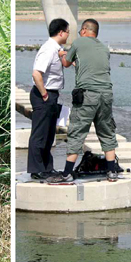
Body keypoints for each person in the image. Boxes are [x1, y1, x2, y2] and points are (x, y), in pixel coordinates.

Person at [48, 18, 119, 183]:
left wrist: (62, 54)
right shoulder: (104, 48)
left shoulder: (79, 43)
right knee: (107, 132)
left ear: (86, 30)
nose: (79, 33)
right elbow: (92, 67)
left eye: (80, 30)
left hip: (87, 95)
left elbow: (66, 63)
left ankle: (66, 173)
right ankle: (111, 172)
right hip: (106, 94)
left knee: (77, 132)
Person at [27, 18, 69, 179]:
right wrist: (44, 94)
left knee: (49, 133)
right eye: (67, 32)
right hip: (43, 94)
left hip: (51, 94)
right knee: (40, 133)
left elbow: (65, 64)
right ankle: (36, 170)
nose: (68, 35)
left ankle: (46, 168)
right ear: (61, 32)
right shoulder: (48, 49)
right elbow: (36, 73)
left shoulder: (57, 48)